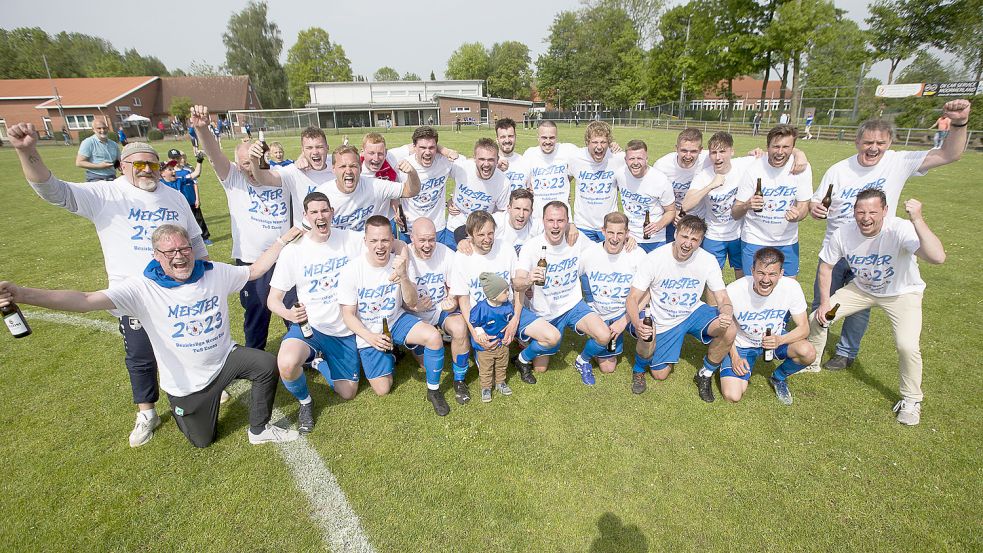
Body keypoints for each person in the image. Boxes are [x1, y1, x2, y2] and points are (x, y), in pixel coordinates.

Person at [0, 224, 302, 447]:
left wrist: (283, 239)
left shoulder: (213, 272)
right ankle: (188, 410)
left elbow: (253, 271)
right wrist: (22, 294)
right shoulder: (140, 288)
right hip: (187, 385)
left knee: (265, 364)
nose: (180, 257)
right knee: (203, 441)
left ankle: (259, 430)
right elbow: (84, 300)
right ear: (156, 256)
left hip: (225, 359)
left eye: (184, 249)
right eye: (170, 252)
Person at [8, 124, 206, 447]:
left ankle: (203, 389)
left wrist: (201, 278)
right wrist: (26, 151)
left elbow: (195, 242)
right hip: (133, 297)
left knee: (189, 344)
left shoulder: (173, 196)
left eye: (152, 165)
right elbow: (52, 190)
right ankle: (147, 412)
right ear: (122, 166)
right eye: (137, 164)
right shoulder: (106, 194)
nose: (146, 170)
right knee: (141, 356)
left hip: (177, 292)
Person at [807, 99, 971, 370]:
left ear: (890, 143)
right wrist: (815, 209)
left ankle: (846, 353)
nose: (873, 148)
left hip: (875, 251)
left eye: (880, 143)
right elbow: (818, 201)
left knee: (860, 308)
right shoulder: (838, 169)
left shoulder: (898, 162)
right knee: (821, 302)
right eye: (868, 142)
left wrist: (960, 122)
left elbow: (950, 154)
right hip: (837, 249)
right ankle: (811, 355)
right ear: (857, 142)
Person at [808, 190, 946, 426]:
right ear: (854, 212)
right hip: (861, 290)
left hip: (902, 294)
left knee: (907, 345)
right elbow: (826, 267)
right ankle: (811, 362)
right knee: (818, 317)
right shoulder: (844, 232)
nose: (866, 217)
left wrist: (918, 220)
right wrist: (825, 302)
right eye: (860, 212)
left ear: (884, 211)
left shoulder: (899, 228)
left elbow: (937, 257)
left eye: (873, 212)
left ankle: (911, 400)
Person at [192, 105, 293, 351]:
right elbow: (214, 154)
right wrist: (202, 128)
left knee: (292, 309)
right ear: (237, 164)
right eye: (245, 163)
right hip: (251, 263)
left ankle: (305, 354)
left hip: (286, 258)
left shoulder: (282, 177)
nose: (251, 168)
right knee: (257, 314)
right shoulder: (234, 179)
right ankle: (256, 358)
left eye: (255, 162)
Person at [266, 192, 364, 432]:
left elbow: (385, 241)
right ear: (306, 216)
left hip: (343, 330)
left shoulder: (350, 239)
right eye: (314, 212)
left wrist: (402, 250)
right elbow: (273, 300)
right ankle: (305, 402)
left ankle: (318, 363)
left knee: (348, 392)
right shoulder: (294, 251)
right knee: (287, 364)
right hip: (311, 328)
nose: (320, 217)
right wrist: (289, 315)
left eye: (324, 211)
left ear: (332, 212)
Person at [339, 216, 452, 416]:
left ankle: (433, 392)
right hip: (370, 330)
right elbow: (348, 315)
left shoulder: (399, 262)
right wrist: (371, 337)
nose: (380, 246)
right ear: (365, 241)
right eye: (374, 241)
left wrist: (404, 276)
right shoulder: (351, 270)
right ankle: (391, 353)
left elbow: (410, 302)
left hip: (396, 319)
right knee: (382, 389)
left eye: (384, 240)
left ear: (392, 240)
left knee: (434, 337)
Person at [625, 215, 736, 400]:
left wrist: (726, 312)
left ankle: (705, 374)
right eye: (684, 237)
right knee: (659, 372)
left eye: (694, 239)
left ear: (701, 241)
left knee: (729, 328)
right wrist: (637, 323)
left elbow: (723, 297)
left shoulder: (708, 260)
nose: (688, 243)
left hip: (693, 312)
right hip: (663, 316)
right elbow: (632, 298)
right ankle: (638, 369)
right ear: (675, 234)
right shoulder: (655, 258)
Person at [449, 210, 560, 385]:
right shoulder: (462, 257)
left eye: (490, 233)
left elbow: (517, 287)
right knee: (490, 377)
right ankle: (466, 371)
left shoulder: (505, 248)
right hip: (483, 319)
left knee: (552, 337)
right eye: (481, 235)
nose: (487, 239)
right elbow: (463, 299)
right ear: (469, 235)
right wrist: (476, 333)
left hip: (509, 309)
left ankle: (521, 359)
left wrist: (515, 320)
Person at [515, 202, 615, 385]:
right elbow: (517, 283)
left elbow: (606, 248)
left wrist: (628, 241)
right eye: (550, 220)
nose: (555, 225)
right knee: (540, 368)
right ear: (543, 221)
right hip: (545, 312)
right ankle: (523, 355)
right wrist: (529, 279)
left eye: (560, 220)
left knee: (603, 335)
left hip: (573, 304)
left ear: (568, 222)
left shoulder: (577, 238)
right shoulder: (531, 247)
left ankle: (582, 360)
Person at [723, 247, 816, 404]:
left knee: (808, 352)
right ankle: (738, 365)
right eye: (761, 273)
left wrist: (780, 340)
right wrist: (735, 357)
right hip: (742, 345)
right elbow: (725, 328)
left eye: (772, 274)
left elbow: (804, 328)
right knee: (733, 395)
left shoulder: (791, 287)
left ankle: (778, 378)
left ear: (781, 273)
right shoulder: (734, 290)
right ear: (752, 271)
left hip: (774, 341)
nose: (766, 280)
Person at [731, 125, 813, 278]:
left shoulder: (802, 168)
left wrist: (798, 215)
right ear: (767, 147)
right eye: (776, 146)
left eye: (786, 147)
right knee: (752, 288)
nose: (780, 152)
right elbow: (735, 212)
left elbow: (804, 206)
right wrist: (747, 205)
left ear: (793, 147)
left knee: (788, 289)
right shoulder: (753, 169)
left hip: (787, 241)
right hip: (754, 239)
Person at [407, 217, 473, 404]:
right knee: (426, 364)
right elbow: (399, 300)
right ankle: (425, 343)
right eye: (422, 240)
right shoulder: (405, 257)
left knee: (460, 327)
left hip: (439, 308)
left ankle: (459, 380)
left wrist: (452, 301)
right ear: (412, 238)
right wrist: (414, 306)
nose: (428, 245)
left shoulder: (446, 253)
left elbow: (456, 288)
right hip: (413, 314)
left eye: (432, 239)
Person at [578, 212, 647, 375]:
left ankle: (642, 366)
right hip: (598, 313)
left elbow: (648, 292)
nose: (615, 238)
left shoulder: (637, 255)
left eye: (620, 233)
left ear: (627, 234)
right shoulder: (588, 254)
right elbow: (573, 279)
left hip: (625, 312)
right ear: (603, 231)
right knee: (608, 368)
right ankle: (599, 337)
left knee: (647, 329)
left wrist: (624, 321)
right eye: (610, 232)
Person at [683, 132, 751, 279]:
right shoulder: (703, 176)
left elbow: (774, 154)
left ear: (732, 151)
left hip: (740, 233)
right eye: (713, 152)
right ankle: (713, 304)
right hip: (714, 234)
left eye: (722, 151)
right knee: (712, 276)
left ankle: (738, 302)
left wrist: (799, 154)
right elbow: (686, 205)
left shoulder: (744, 165)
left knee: (743, 274)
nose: (718, 157)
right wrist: (710, 186)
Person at [248, 126, 334, 225]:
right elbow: (265, 179)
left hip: (334, 234)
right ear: (303, 150)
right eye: (309, 148)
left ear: (327, 148)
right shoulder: (294, 171)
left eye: (319, 147)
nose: (315, 152)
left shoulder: (339, 165)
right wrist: (253, 161)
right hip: (306, 236)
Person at [389, 126, 456, 247]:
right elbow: (395, 193)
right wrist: (397, 209)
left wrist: (453, 199)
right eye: (423, 148)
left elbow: (467, 174)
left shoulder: (445, 163)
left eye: (431, 147)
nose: (427, 152)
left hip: (436, 228)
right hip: (409, 229)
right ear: (414, 147)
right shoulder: (403, 166)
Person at [446, 138, 510, 246]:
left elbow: (503, 212)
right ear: (474, 158)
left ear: (497, 159)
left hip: (481, 235)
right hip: (454, 228)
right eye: (482, 159)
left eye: (490, 159)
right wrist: (448, 202)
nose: (486, 164)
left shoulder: (503, 182)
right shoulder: (462, 167)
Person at [614, 140, 675, 253]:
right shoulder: (620, 174)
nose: (635, 162)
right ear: (625, 160)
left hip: (654, 240)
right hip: (629, 237)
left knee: (654, 270)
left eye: (640, 158)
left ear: (646, 159)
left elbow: (671, 211)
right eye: (631, 158)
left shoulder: (661, 180)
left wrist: (658, 225)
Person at [569, 121, 625, 242]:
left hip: (609, 225)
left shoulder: (618, 158)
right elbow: (564, 181)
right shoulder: (575, 158)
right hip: (583, 226)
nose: (599, 147)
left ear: (609, 143)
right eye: (595, 142)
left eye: (603, 142)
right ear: (587, 143)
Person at [653, 128, 707, 241]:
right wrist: (673, 212)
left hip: (698, 219)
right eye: (683, 150)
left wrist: (754, 152)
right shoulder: (662, 165)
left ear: (701, 149)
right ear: (676, 148)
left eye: (693, 151)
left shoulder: (708, 161)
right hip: (672, 219)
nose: (688, 156)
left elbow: (730, 160)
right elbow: (655, 195)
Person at [469, 272, 514, 402]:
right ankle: (486, 387)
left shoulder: (507, 306)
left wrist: (509, 329)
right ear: (494, 295)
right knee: (486, 367)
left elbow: (510, 319)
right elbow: (473, 321)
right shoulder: (481, 308)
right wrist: (480, 332)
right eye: (505, 292)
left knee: (502, 364)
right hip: (486, 347)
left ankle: (500, 382)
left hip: (502, 343)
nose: (508, 294)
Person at [523, 120, 580, 222]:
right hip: (537, 218)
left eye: (552, 138)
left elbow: (590, 152)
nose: (548, 141)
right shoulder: (529, 154)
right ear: (538, 137)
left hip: (561, 218)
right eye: (544, 137)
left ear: (556, 138)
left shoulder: (568, 150)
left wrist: (612, 145)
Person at [160, 158, 211, 245]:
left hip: (182, 211)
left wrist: (199, 161)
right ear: (162, 173)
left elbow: (195, 174)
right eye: (170, 169)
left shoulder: (180, 180)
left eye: (173, 169)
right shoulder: (159, 184)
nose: (174, 171)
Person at [493, 188, 543, 254]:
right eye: (517, 208)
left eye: (525, 210)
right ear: (509, 208)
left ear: (531, 211)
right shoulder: (495, 222)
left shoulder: (537, 226)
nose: (521, 215)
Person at [495, 118, 530, 192]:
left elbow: (529, 190)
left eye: (510, 136)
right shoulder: (490, 163)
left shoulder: (525, 161)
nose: (507, 140)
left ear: (515, 137)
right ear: (497, 140)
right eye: (503, 137)